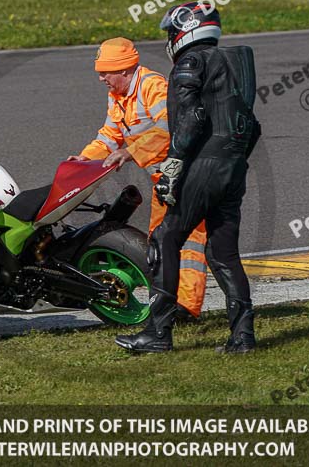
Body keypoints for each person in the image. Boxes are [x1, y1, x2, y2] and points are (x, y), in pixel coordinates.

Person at [115, 2, 261, 353]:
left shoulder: (190, 62)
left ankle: (157, 334)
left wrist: (174, 163)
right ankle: (243, 336)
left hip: (204, 164)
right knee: (223, 253)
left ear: (185, 30)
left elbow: (191, 117)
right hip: (234, 166)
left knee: (164, 239)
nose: (170, 39)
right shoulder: (236, 64)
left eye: (171, 32)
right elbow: (252, 128)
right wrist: (232, 162)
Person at [67, 37, 207, 319]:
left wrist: (129, 152)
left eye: (106, 72)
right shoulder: (118, 96)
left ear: (124, 70)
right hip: (165, 180)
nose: (101, 78)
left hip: (186, 175)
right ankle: (169, 301)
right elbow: (109, 135)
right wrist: (85, 159)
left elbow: (169, 129)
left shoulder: (152, 87)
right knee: (159, 241)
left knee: (189, 242)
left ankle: (186, 308)